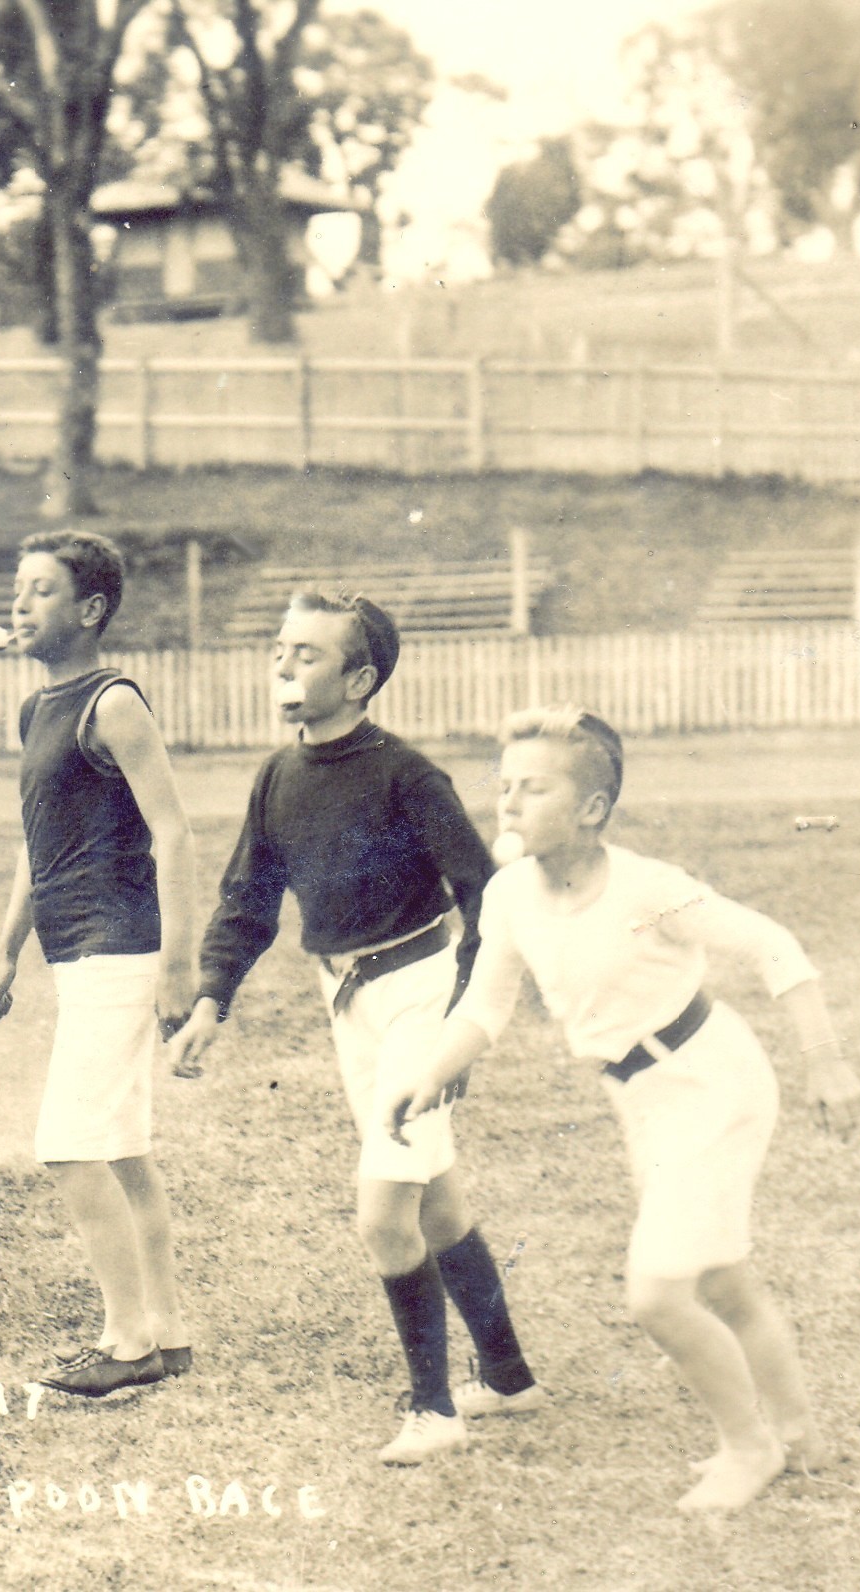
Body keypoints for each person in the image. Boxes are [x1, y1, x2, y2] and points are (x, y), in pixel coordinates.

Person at [383, 708, 860, 1512]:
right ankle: (798, 1432)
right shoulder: (509, 897)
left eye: (533, 788)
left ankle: (749, 1449)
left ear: (592, 809)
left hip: (713, 1085)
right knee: (720, 1278)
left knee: (658, 1294)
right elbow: (484, 1008)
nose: (507, 802)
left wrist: (825, 1059)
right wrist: (430, 1072)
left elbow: (773, 944)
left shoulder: (646, 890)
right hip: (642, 1100)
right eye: (504, 785)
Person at [168, 593, 541, 1465]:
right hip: (348, 1005)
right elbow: (247, 901)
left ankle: (434, 1409)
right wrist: (210, 1002)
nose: (285, 667)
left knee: (384, 1215)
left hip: (420, 992)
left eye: (308, 655)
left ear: (360, 678)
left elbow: (486, 898)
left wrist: (461, 1026)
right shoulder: (276, 776)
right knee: (435, 1198)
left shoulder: (406, 776)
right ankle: (511, 1377)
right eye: (279, 651)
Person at [0, 529, 200, 1397]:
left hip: (121, 949)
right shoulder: (38, 709)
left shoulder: (113, 703)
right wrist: (6, 948)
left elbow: (174, 829)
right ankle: (168, 1333)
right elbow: (40, 846)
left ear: (90, 610)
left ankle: (125, 1339)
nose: (20, 605)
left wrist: (181, 966)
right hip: (75, 951)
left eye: (40, 591)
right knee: (121, 1150)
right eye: (19, 589)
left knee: (71, 1147)